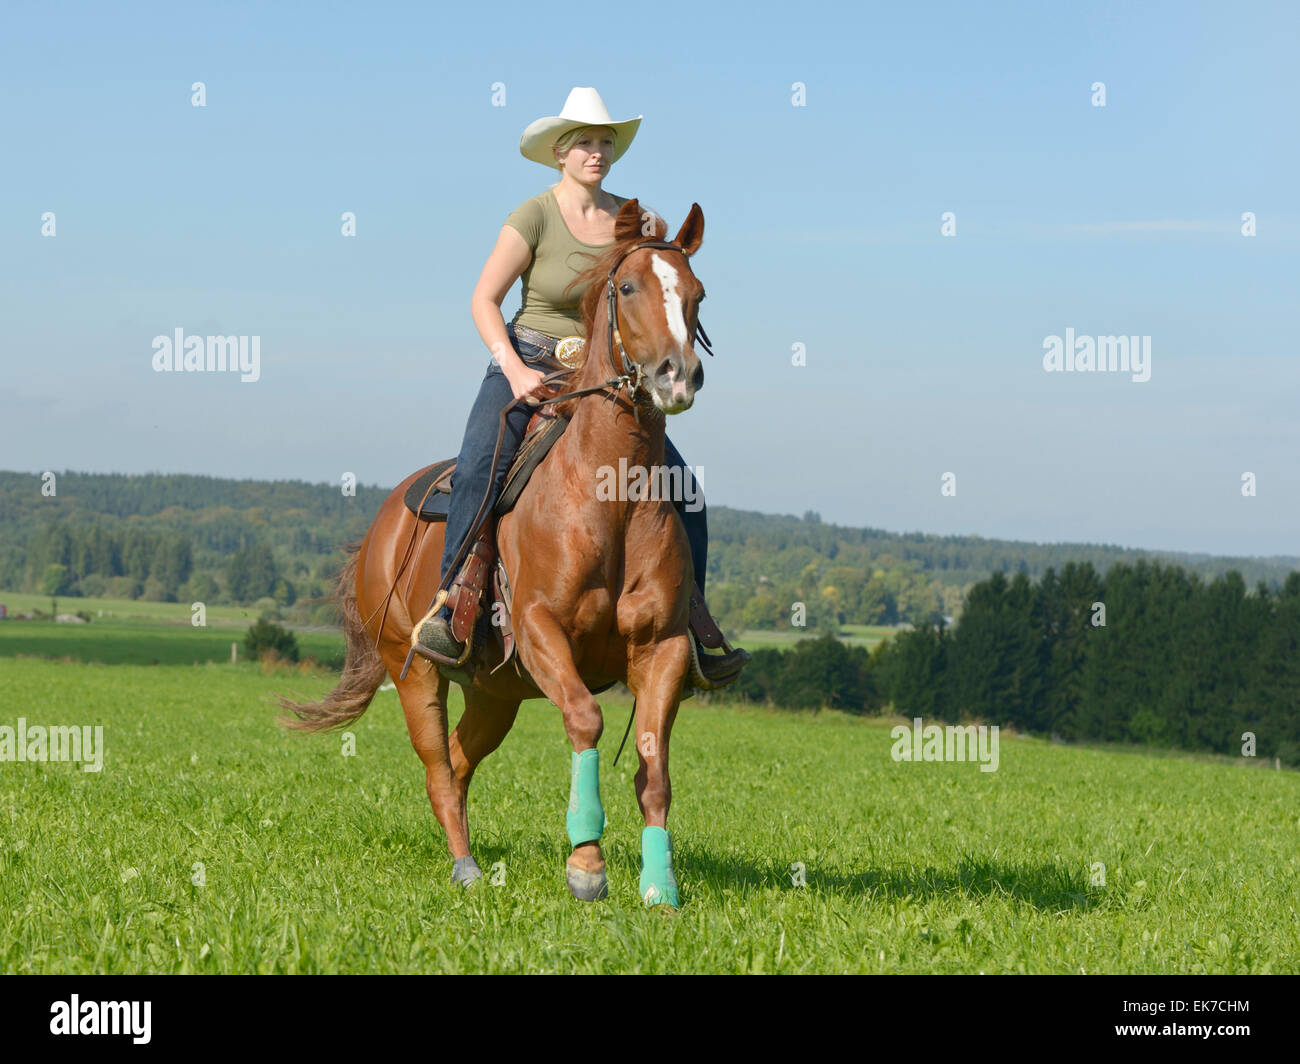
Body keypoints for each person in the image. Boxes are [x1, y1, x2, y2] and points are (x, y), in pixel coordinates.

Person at [413, 86, 749, 688]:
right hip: (530, 364)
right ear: (560, 153)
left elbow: (657, 288)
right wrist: (515, 370)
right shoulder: (533, 216)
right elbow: (483, 300)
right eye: (585, 143)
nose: (597, 153)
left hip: (608, 382)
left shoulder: (638, 222)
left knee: (686, 494)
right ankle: (455, 606)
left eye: (605, 143)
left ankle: (694, 619)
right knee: (477, 470)